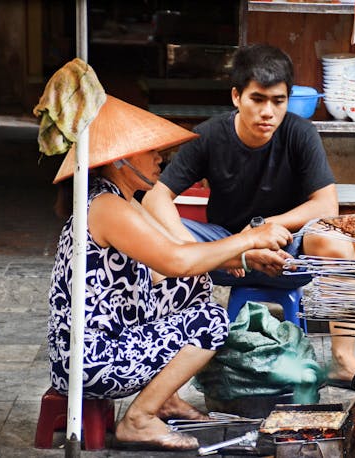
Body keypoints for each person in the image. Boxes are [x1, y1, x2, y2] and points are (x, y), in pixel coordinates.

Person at [47, 95, 293, 451]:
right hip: (88, 360)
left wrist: (245, 258)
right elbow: (176, 260)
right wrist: (250, 237)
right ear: (120, 159)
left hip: (105, 341)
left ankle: (165, 399)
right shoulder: (105, 206)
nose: (160, 158)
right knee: (211, 321)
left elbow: (183, 258)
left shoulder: (122, 199)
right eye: (150, 151)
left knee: (194, 286)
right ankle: (138, 419)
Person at [141, 43, 355, 391]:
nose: (268, 112)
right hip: (221, 251)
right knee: (150, 236)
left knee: (335, 241)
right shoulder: (209, 135)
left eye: (278, 101)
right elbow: (155, 196)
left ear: (288, 100)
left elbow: (326, 206)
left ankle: (344, 360)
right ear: (236, 96)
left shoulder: (300, 133)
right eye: (257, 99)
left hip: (285, 253)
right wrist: (201, 248)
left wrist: (268, 227)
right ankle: (165, 371)